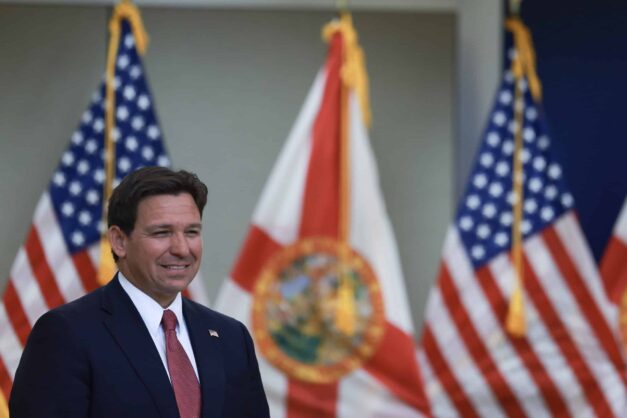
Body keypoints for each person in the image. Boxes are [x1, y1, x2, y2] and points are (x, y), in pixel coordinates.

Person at [9, 166, 270, 418]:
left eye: (191, 232)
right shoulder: (66, 333)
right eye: (162, 233)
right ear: (119, 241)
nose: (182, 248)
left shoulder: (231, 337)